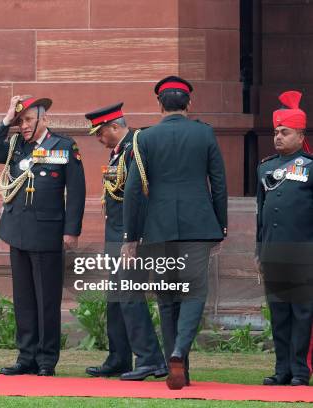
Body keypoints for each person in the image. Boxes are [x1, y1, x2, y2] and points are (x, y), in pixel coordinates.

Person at [122, 76, 228, 389]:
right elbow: (218, 183)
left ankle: (176, 362)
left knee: (167, 300)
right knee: (194, 293)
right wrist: (219, 226)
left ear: (160, 105)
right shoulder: (204, 133)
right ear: (189, 104)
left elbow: (132, 191)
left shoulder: (144, 138)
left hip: (158, 228)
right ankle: (180, 352)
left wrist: (131, 236)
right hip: (198, 225)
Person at [0, 95, 86, 376]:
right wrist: (6, 120)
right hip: (17, 231)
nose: (24, 126)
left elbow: (76, 191)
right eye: (20, 121)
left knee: (46, 299)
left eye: (28, 120)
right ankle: (26, 356)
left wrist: (71, 230)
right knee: (24, 299)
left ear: (45, 119)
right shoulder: (16, 145)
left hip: (48, 232)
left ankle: (46, 360)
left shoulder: (63, 146)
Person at [83, 103, 167, 381]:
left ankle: (150, 359)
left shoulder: (136, 149)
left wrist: (133, 237)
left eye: (100, 132)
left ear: (115, 127)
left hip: (131, 236)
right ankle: (119, 357)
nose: (98, 138)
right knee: (116, 299)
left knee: (130, 296)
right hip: (116, 233)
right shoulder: (120, 152)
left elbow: (140, 194)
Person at [256, 90, 313, 387]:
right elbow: (260, 212)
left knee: (302, 314)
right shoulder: (265, 167)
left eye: (284, 131)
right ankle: (282, 371)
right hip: (273, 252)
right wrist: (259, 252)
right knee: (279, 314)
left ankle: (300, 371)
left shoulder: (310, 166)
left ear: (299, 134)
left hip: (303, 253)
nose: (277, 136)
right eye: (276, 131)